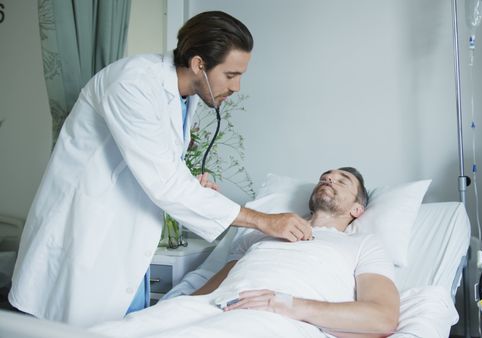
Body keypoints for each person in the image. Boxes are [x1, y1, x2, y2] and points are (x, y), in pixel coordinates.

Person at [9, 11, 312, 327]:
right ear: (198, 65)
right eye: (231, 74)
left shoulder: (184, 95)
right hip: (85, 233)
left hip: (125, 241)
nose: (237, 86)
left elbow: (156, 166)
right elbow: (165, 183)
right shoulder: (132, 84)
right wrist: (264, 221)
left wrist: (190, 183)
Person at [90, 167, 400, 338]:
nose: (329, 178)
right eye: (325, 177)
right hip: (216, 305)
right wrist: (180, 306)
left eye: (341, 180)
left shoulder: (362, 245)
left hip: (274, 318)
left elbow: (382, 317)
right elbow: (221, 281)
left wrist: (288, 304)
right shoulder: (263, 232)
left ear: (358, 209)